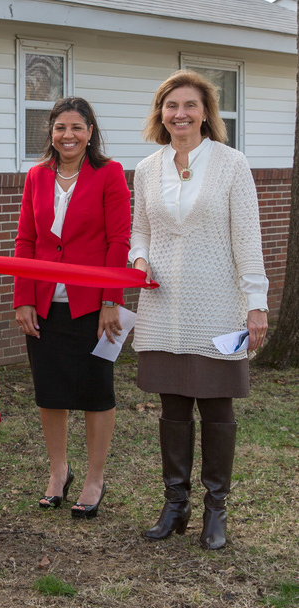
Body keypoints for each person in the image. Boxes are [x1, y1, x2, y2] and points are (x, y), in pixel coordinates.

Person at [131, 70, 268, 550]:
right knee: (171, 406)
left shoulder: (232, 164)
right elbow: (141, 231)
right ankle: (175, 504)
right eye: (171, 106)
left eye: (190, 105)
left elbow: (248, 241)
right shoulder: (147, 168)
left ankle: (216, 509)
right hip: (163, 305)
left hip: (216, 305)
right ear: (161, 114)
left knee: (215, 406)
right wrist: (140, 259)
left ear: (206, 112)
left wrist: (256, 306)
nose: (180, 114)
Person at [14, 97, 131, 519]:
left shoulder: (109, 173)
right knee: (51, 392)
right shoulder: (36, 176)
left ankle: (94, 478)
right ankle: (58, 471)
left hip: (92, 305)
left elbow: (119, 240)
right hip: (45, 303)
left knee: (97, 391)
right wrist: (24, 297)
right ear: (50, 132)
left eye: (77, 127)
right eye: (60, 127)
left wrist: (111, 300)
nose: (68, 135)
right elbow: (25, 241)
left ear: (90, 132)